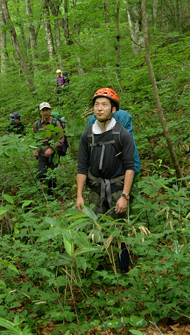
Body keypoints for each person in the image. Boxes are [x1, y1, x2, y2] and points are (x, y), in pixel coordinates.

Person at [76, 88, 135, 272]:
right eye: (96, 104)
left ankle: (123, 270)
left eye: (104, 104)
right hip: (95, 189)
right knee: (94, 228)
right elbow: (82, 167)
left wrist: (125, 195)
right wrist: (79, 195)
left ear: (113, 109)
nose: (99, 108)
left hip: (117, 188)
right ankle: (99, 270)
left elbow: (129, 166)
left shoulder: (122, 134)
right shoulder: (87, 136)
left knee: (120, 230)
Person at [33, 102, 65, 197]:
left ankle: (51, 196)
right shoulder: (37, 124)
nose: (45, 112)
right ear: (40, 112)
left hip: (53, 153)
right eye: (43, 110)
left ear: (50, 111)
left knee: (52, 175)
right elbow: (35, 138)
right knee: (41, 173)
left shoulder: (56, 123)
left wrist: (52, 148)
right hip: (41, 152)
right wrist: (35, 149)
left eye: (47, 110)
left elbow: (61, 138)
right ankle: (42, 194)